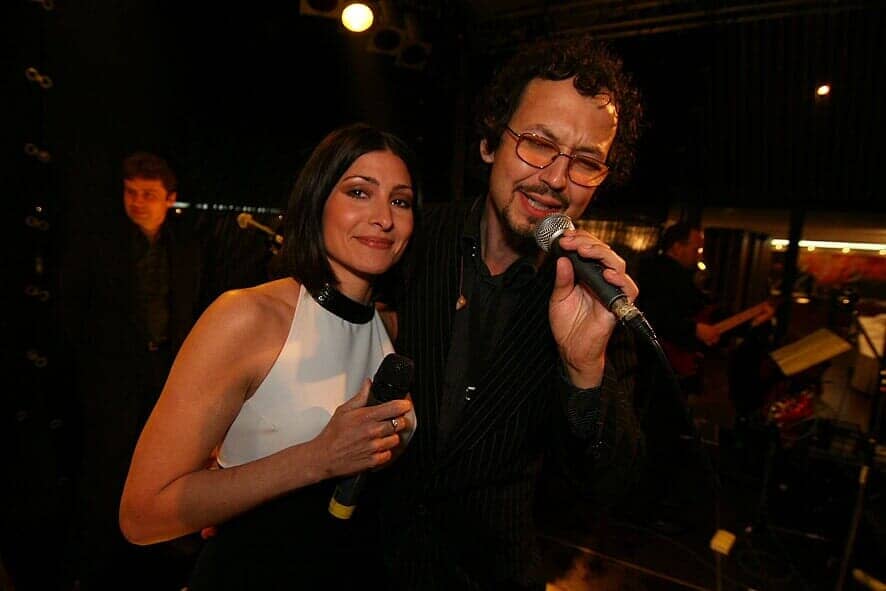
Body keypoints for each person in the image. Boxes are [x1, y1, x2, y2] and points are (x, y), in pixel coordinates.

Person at [373, 36, 645, 590]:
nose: (556, 178)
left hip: (489, 575)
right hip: (369, 558)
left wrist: (584, 370)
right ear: (490, 142)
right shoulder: (410, 241)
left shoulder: (599, 294)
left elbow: (609, 483)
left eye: (586, 162)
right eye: (539, 144)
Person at [118, 123, 420, 589]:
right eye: (359, 192)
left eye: (400, 201)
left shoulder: (390, 330)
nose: (384, 217)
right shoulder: (247, 318)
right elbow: (142, 514)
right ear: (316, 201)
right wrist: (319, 457)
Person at [62, 151, 205, 589]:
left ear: (170, 198)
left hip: (166, 371)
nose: (138, 202)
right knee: (109, 464)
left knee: (165, 458)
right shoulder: (99, 245)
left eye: (148, 194)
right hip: (112, 376)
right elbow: (73, 312)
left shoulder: (189, 247)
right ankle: (105, 554)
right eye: (131, 192)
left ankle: (160, 545)